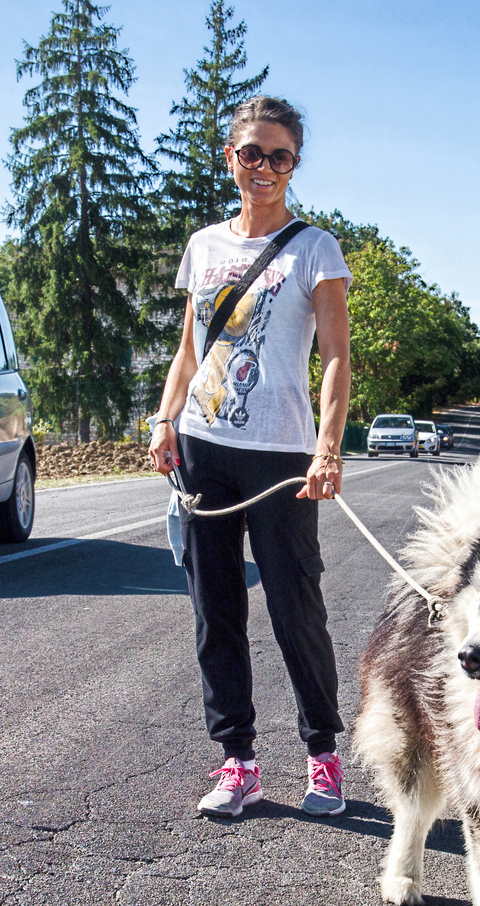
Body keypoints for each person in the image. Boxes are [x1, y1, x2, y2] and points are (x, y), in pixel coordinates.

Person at [148, 96, 353, 819]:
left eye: (280, 156)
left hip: (281, 456)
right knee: (216, 611)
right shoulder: (204, 247)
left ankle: (323, 755)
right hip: (204, 449)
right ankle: (238, 761)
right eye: (252, 153)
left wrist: (327, 450)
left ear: (294, 164)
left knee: (296, 608)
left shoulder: (315, 248)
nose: (264, 167)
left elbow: (335, 359)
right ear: (230, 157)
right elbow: (189, 349)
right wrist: (166, 418)